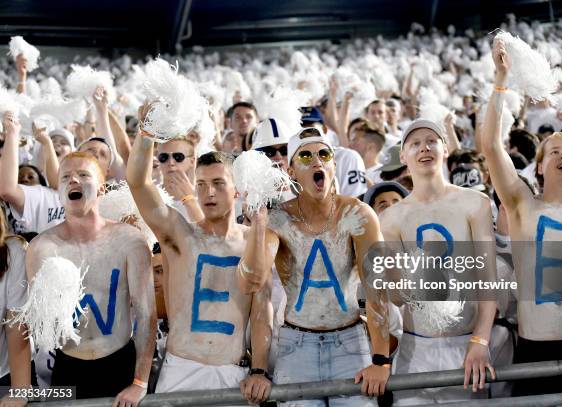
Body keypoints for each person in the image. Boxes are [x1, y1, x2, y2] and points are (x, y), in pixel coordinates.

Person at [481, 38, 562, 398]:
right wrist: (501, 81)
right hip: (534, 349)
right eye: (554, 150)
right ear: (539, 166)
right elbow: (491, 146)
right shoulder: (523, 205)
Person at [237, 127, 391, 406]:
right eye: (305, 156)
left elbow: (376, 286)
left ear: (333, 164)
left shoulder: (357, 213)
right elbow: (252, 282)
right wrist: (259, 224)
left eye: (324, 154)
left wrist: (380, 359)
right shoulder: (277, 220)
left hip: (351, 344)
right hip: (297, 349)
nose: (317, 161)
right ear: (292, 171)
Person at [127, 123, 272, 405]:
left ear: (238, 191)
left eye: (218, 184)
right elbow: (138, 183)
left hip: (233, 373)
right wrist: (146, 134)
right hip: (181, 369)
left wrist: (260, 370)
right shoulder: (181, 235)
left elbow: (261, 311)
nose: (209, 193)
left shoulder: (254, 240)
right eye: (202, 185)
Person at [379, 119, 498, 405]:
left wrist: (480, 341)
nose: (424, 148)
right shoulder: (391, 218)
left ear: (445, 149)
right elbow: (396, 297)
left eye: (431, 141)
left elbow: (488, 281)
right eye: (415, 144)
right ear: (404, 157)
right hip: (415, 347)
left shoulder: (476, 203)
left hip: (466, 344)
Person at [26, 151, 156, 404]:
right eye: (65, 177)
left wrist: (139, 382)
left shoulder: (129, 239)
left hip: (121, 361)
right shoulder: (41, 247)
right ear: (58, 190)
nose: (73, 180)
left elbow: (146, 314)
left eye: (83, 174)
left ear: (101, 189)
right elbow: (38, 326)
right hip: (67, 365)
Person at [0, 113, 64, 235]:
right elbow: (8, 189)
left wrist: (47, 142)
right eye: (19, 177)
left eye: (31, 176)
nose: (25, 179)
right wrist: (12, 133)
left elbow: (57, 183)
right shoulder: (32, 198)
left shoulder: (51, 194)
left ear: (42, 183)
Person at [0, 205, 32, 407]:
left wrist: (19, 391)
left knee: (64, 395)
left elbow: (15, 326)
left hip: (6, 376)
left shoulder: (13, 252)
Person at [155, 137, 204, 223]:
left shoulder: (207, 196)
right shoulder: (151, 195)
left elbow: (208, 234)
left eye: (178, 157)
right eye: (164, 157)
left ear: (192, 161)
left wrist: (189, 199)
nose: (170, 162)